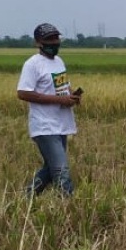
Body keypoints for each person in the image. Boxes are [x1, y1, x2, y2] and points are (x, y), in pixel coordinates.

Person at [17, 23, 80, 197]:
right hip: (44, 126)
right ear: (38, 42)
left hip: (62, 123)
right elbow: (22, 93)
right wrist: (60, 99)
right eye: (49, 39)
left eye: (56, 38)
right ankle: (68, 207)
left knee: (51, 168)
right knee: (61, 171)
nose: (54, 42)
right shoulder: (33, 64)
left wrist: (71, 96)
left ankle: (27, 198)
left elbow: (63, 87)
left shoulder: (59, 62)